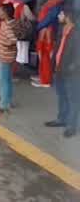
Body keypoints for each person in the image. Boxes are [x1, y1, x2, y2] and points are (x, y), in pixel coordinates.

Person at [46, 8, 77, 137]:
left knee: (72, 99)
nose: (59, 16)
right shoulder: (62, 30)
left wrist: (72, 67)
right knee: (62, 96)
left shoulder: (76, 34)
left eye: (61, 14)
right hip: (59, 69)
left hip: (70, 73)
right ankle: (62, 119)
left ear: (68, 17)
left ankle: (71, 125)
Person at [34, 0, 66, 88]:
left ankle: (45, 80)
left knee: (45, 55)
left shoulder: (54, 5)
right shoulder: (54, 3)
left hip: (46, 33)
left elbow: (49, 19)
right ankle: (42, 76)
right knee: (44, 55)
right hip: (46, 32)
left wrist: (37, 27)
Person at [0, 3, 18, 114]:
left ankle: (3, 105)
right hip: (10, 55)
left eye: (0, 11)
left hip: (4, 55)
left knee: (4, 80)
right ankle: (8, 100)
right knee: (8, 79)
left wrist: (5, 44)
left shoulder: (6, 26)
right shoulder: (13, 23)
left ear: (5, 14)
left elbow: (13, 39)